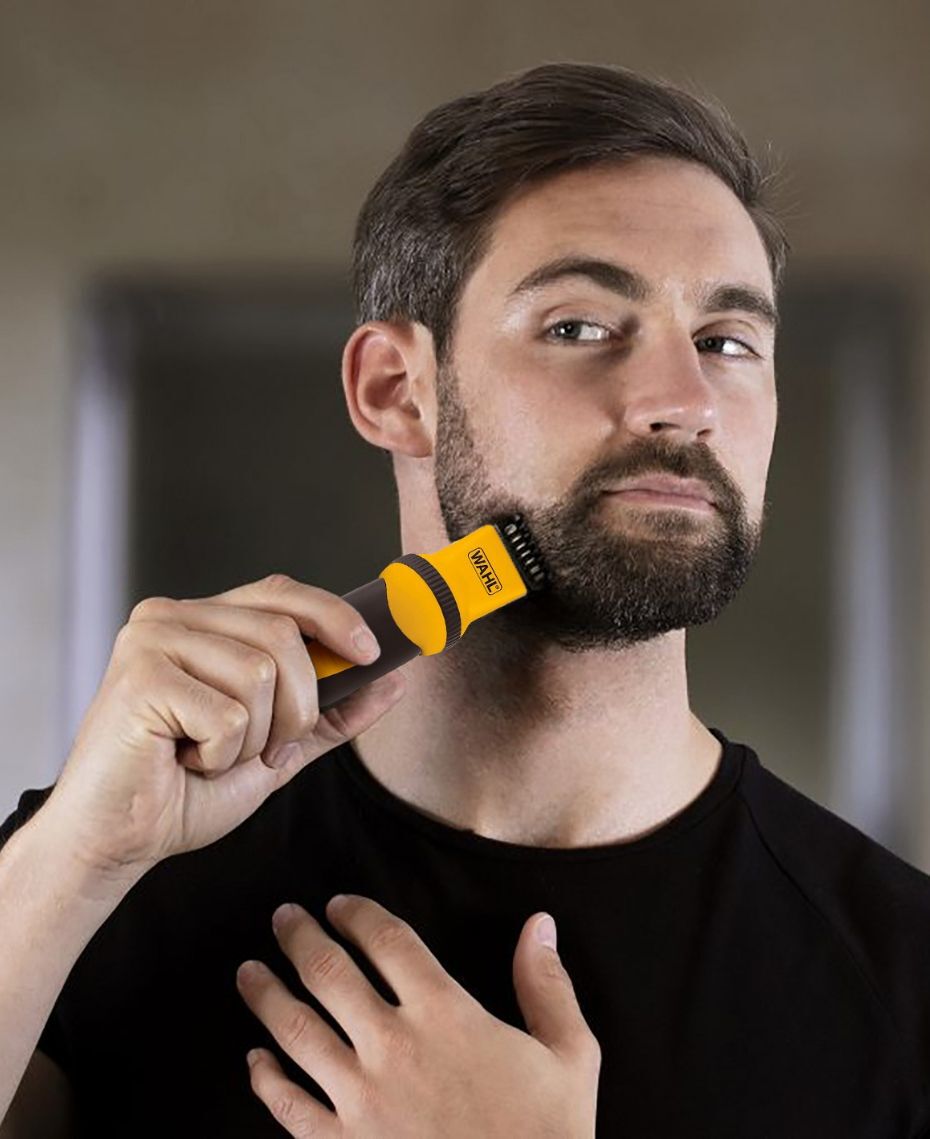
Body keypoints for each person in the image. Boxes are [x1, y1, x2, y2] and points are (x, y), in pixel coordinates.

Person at [2, 60, 930, 1139]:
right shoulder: (89, 877)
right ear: (397, 390)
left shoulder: (903, 981)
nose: (684, 402)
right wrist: (70, 863)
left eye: (728, 342)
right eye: (580, 326)